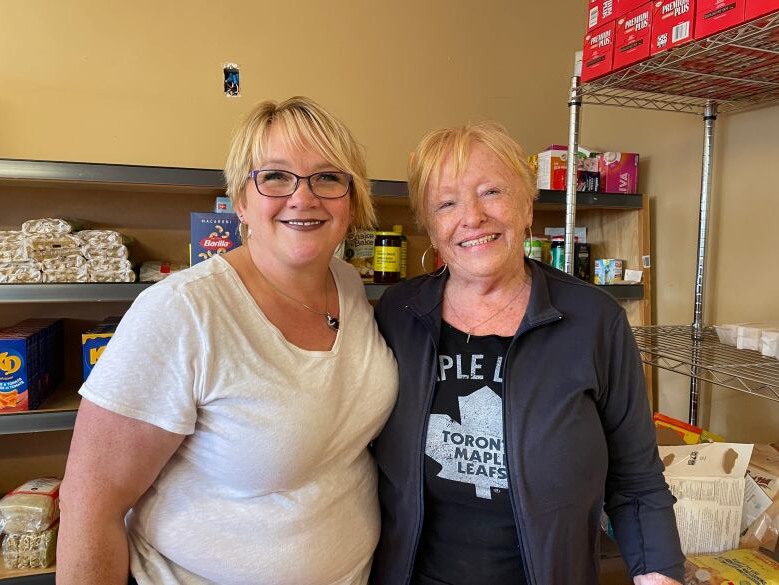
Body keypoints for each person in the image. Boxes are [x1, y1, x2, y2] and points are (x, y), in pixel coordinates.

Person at [58, 96, 398, 585]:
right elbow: (91, 505)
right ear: (241, 199)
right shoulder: (183, 312)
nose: (303, 198)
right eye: (276, 177)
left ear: (352, 198)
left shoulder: (347, 284)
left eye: (328, 177)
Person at [369, 122, 684, 585]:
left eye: (491, 191)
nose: (472, 217)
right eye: (447, 203)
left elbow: (636, 480)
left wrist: (659, 575)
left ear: (526, 204)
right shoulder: (398, 313)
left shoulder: (593, 319)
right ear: (431, 228)